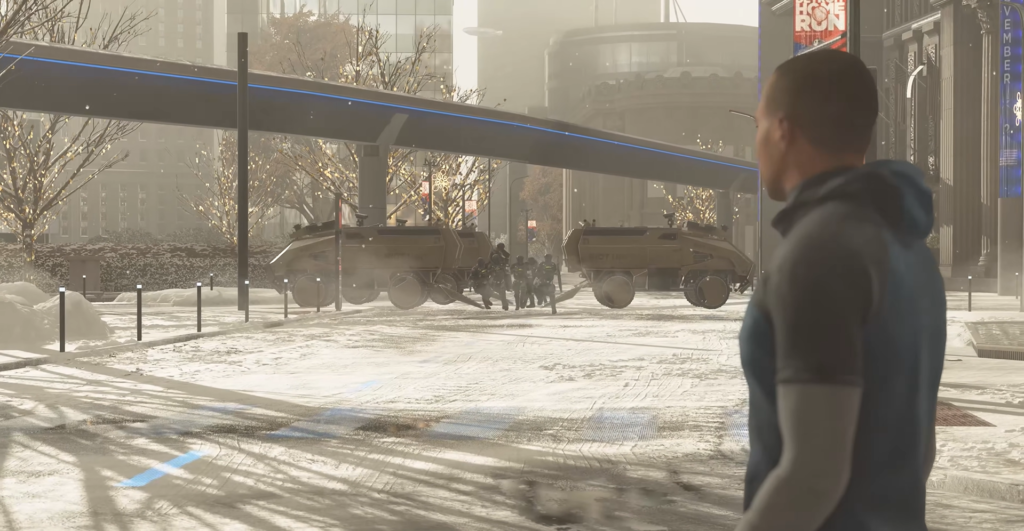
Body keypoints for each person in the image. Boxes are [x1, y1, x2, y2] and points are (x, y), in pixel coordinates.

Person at [736, 49, 945, 531]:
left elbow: (812, 475)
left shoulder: (819, 254)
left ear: (783, 130)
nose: (757, 140)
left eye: (758, 124)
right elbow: (918, 447)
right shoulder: (909, 249)